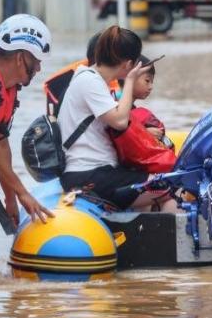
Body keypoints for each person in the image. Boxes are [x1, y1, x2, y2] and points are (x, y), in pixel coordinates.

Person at [0, 14, 54, 274]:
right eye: (35, 62)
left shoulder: (6, 85)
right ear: (20, 58)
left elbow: (1, 145)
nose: (38, 69)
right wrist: (24, 193)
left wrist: (11, 199)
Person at [57, 25, 177, 212]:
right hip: (89, 175)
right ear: (128, 64)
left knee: (159, 191)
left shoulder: (90, 79)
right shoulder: (89, 81)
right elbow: (120, 121)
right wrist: (130, 80)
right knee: (169, 187)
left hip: (98, 173)